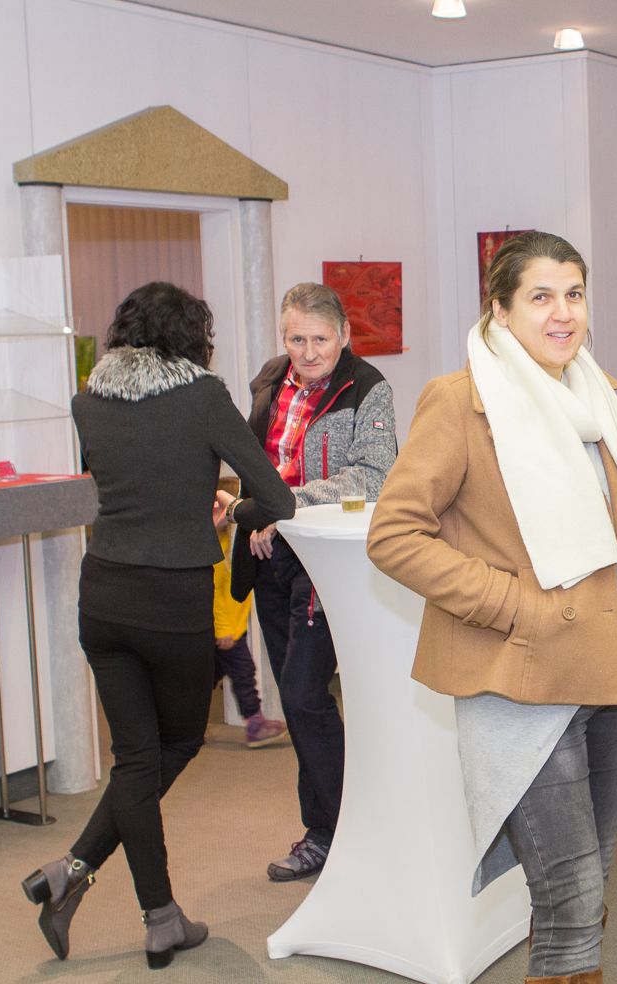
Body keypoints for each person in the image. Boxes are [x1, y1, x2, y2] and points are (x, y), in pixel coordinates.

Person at [367, 230, 617, 984]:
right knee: (571, 900)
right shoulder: (460, 401)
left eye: (574, 294)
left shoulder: (600, 400)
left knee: (588, 884)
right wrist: (512, 604)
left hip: (612, 670)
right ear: (501, 311)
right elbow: (394, 535)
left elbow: (612, 531)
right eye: (541, 296)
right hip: (520, 678)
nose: (563, 313)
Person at [23, 282, 295, 968]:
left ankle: (130, 901)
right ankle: (98, 880)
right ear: (192, 336)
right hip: (171, 600)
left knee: (135, 759)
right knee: (173, 746)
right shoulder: (203, 395)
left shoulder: (87, 401)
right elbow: (277, 496)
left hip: (103, 596)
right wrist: (231, 506)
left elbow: (132, 480)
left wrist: (192, 493)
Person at [231, 282, 397, 881]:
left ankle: (349, 832)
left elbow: (373, 477)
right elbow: (257, 460)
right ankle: (324, 831)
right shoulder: (270, 380)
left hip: (325, 562)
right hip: (269, 555)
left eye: (320, 339)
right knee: (297, 702)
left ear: (344, 334)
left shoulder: (369, 388)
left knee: (304, 695)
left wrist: (281, 507)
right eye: (296, 339)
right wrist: (253, 510)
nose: (307, 352)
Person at [212, 477, 287, 747]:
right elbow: (214, 596)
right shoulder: (214, 551)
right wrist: (223, 631)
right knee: (243, 674)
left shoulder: (234, 543)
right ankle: (255, 724)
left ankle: (186, 726)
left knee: (212, 677)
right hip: (225, 632)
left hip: (235, 629)